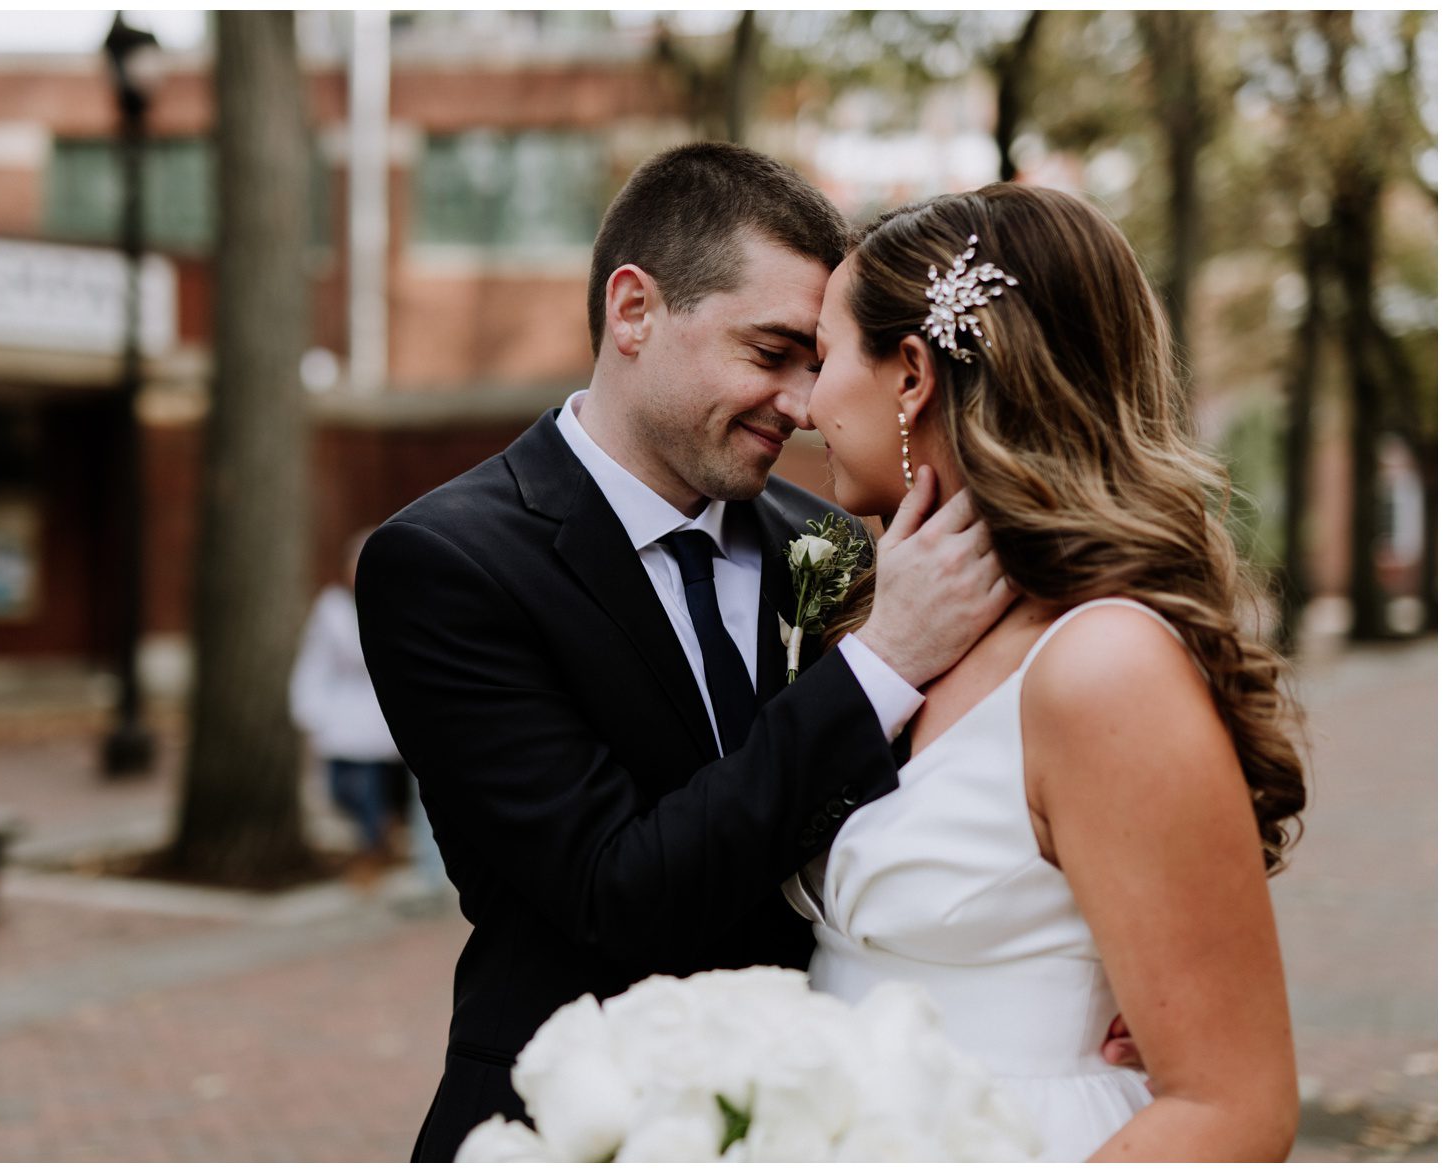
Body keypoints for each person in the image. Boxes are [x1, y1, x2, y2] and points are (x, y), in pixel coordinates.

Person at [356, 142, 1016, 1162]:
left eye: (817, 361)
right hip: (578, 1124)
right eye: (769, 352)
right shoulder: (447, 564)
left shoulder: (831, 546)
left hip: (825, 1116)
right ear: (634, 312)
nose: (801, 403)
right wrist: (874, 667)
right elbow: (616, 891)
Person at [794, 182, 1307, 1159]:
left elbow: (1234, 1108)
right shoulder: (880, 623)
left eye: (821, 358)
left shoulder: (1100, 665)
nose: (806, 405)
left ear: (911, 376)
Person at [290, 529, 409, 881]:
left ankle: (373, 849)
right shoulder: (332, 608)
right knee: (340, 788)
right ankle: (378, 838)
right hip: (345, 711)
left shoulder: (396, 604)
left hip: (382, 709)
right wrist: (308, 705)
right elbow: (316, 658)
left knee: (372, 786)